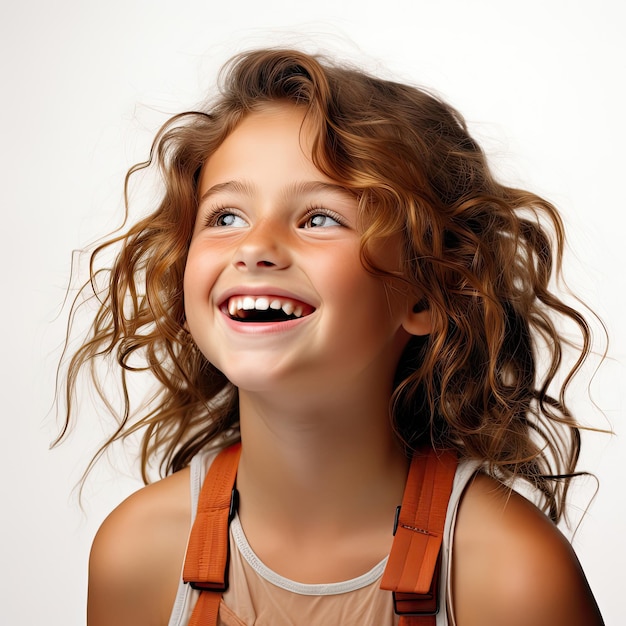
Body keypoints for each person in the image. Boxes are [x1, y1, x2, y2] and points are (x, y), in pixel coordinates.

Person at [58, 48, 605, 625]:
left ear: (426, 293)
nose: (255, 246)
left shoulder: (513, 572)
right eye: (225, 217)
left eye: (320, 218)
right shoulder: (138, 554)